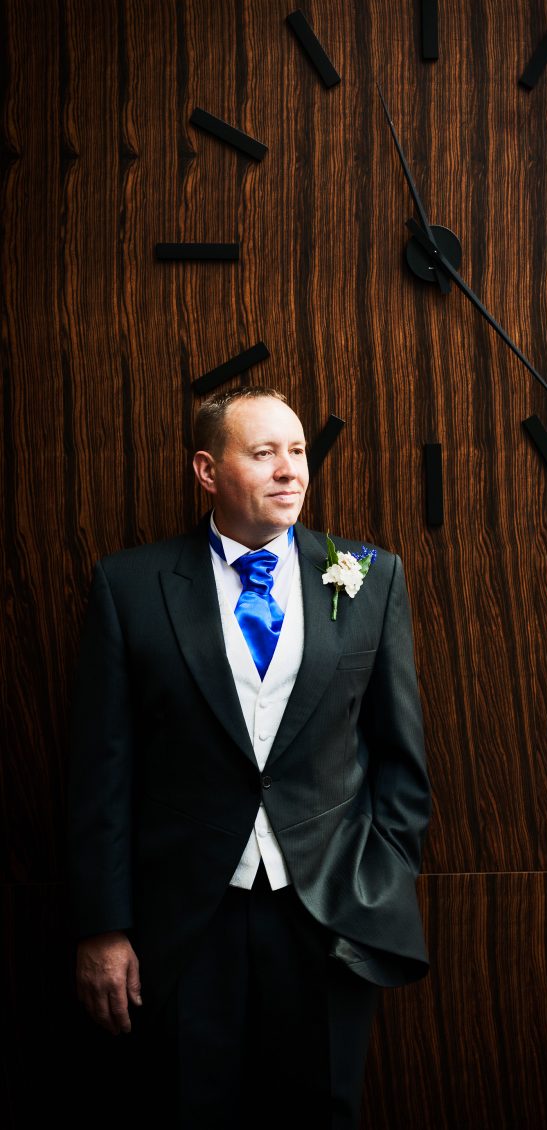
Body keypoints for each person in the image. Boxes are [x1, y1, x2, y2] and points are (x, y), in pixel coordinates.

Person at [67, 386, 431, 1129]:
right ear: (207, 470)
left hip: (327, 918)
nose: (290, 471)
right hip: (185, 924)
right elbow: (100, 773)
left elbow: (401, 759)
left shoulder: (369, 576)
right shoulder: (129, 586)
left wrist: (376, 880)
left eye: (297, 451)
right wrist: (104, 928)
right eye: (264, 453)